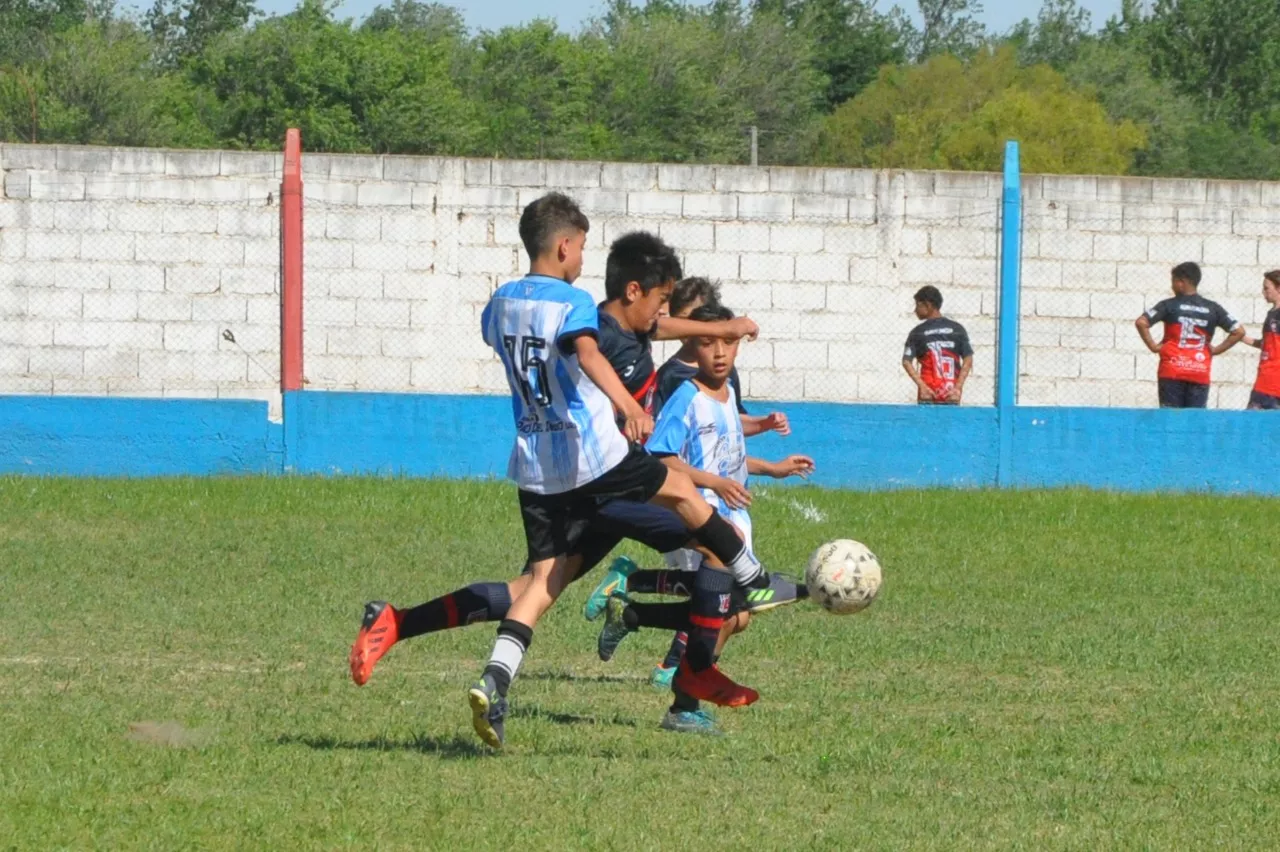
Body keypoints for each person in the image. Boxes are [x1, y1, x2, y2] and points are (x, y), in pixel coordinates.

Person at [349, 194, 773, 749]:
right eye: (663, 302)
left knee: (533, 587)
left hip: (542, 467)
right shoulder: (588, 324)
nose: (668, 319)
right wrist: (627, 405)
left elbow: (654, 329)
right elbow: (596, 351)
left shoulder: (540, 309)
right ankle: (701, 662)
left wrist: (728, 324)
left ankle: (400, 624)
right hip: (600, 473)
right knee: (706, 526)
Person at [593, 304, 815, 734]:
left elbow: (730, 455)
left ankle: (632, 610)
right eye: (709, 342)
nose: (719, 353)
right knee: (727, 611)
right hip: (700, 517)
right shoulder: (687, 397)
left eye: (728, 343)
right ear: (693, 344)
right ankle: (682, 698)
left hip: (733, 515)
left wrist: (775, 466)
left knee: (728, 613)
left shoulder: (727, 394)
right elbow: (661, 459)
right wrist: (712, 482)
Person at [1135, 261, 1244, 408]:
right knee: (1195, 420)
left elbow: (1141, 322)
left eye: (1173, 282)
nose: (1171, 286)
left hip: (1172, 370)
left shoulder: (1168, 305)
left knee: (1170, 418)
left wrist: (1153, 346)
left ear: (1181, 282)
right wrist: (1216, 350)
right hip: (1199, 370)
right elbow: (1239, 331)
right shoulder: (1213, 308)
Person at [902, 286, 973, 405]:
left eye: (918, 305)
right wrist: (958, 388)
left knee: (925, 422)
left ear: (927, 305)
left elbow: (906, 361)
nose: (915, 310)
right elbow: (968, 359)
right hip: (951, 393)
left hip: (928, 394)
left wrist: (922, 387)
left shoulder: (917, 332)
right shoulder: (957, 329)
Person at [1241, 270, 1280, 410]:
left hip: (1272, 383)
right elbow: (1267, 345)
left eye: (1266, 288)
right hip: (1265, 380)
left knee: (1252, 425)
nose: (1263, 292)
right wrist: (1241, 337)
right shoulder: (1272, 313)